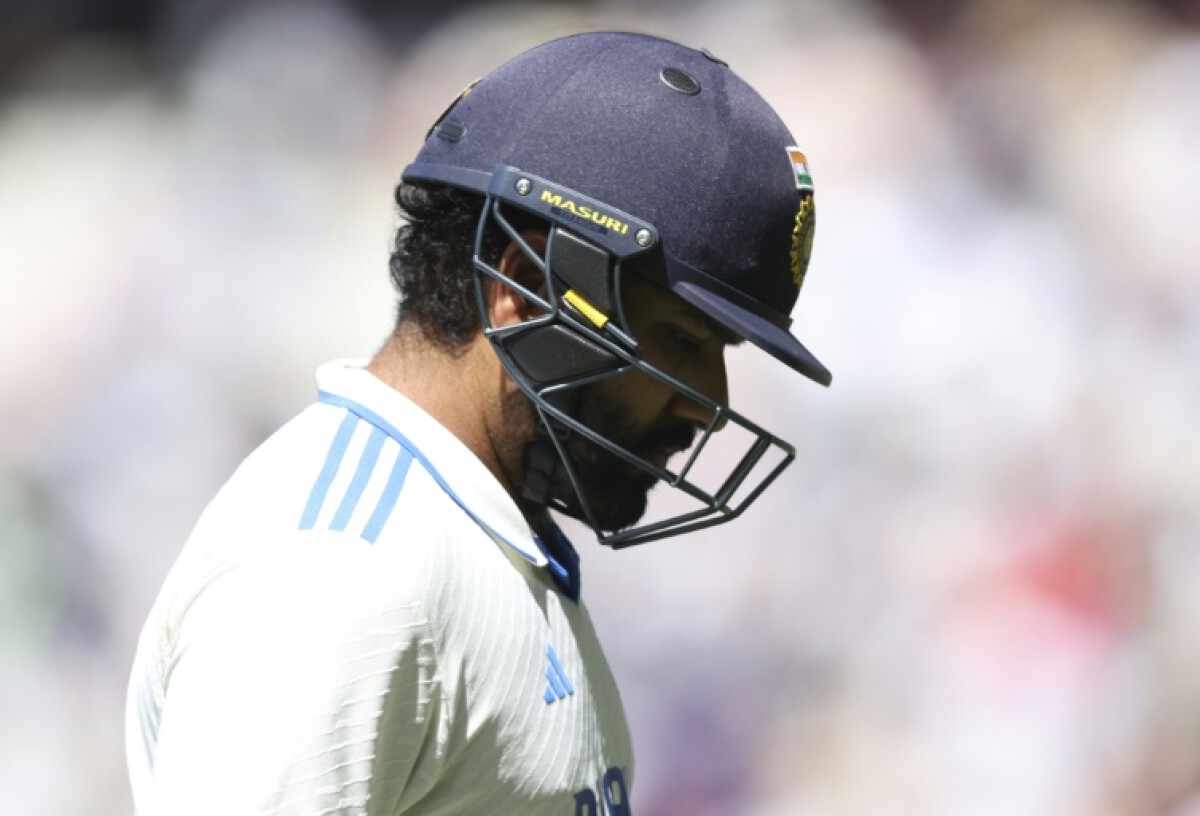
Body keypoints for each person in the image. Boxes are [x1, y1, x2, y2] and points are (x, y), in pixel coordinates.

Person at [124, 31, 831, 814]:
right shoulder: (343, 570)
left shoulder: (471, 532)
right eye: (685, 340)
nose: (708, 403)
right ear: (526, 289)